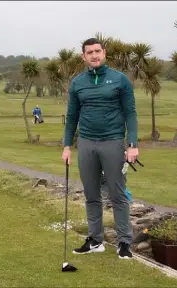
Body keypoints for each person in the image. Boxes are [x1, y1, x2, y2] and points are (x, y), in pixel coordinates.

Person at [62, 38, 139, 259]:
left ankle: (124, 242)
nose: (94, 55)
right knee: (91, 194)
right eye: (90, 52)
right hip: (86, 143)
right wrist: (67, 146)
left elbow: (130, 113)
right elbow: (72, 117)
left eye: (98, 51)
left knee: (118, 194)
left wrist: (132, 144)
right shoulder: (77, 83)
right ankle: (96, 240)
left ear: (104, 53)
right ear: (83, 57)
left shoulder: (120, 80)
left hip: (113, 142)